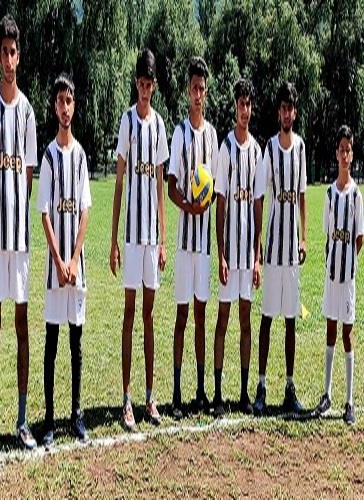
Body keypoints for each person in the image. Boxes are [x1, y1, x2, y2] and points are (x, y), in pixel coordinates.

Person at [0, 14, 38, 454]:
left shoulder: (29, 112)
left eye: (13, 52)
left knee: (21, 324)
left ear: (20, 56)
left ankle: (20, 419)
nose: (8, 59)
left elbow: (28, 175)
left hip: (21, 242)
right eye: (3, 51)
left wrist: (15, 216)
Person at [110, 48, 169, 430]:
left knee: (149, 316)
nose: (145, 90)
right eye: (141, 84)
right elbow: (119, 183)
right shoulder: (128, 121)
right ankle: (127, 398)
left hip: (151, 240)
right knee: (130, 314)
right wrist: (114, 240)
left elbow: (161, 184)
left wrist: (163, 239)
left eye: (150, 85)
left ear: (154, 86)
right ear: (136, 84)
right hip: (131, 238)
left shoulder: (159, 125)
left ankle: (149, 397)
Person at [37, 73, 91, 449]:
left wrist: (73, 259)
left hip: (76, 267)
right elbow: (44, 213)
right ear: (54, 107)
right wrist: (59, 261)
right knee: (52, 341)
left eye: (69, 100)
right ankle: (50, 419)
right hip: (57, 270)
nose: (65, 107)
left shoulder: (81, 156)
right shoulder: (49, 157)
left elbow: (85, 211)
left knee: (76, 340)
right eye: (60, 101)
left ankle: (76, 414)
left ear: (75, 106)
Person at [167, 57, 218, 419]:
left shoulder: (212, 136)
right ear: (188, 91)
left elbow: (214, 187)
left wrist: (206, 202)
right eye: (194, 88)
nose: (198, 94)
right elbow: (171, 186)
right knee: (182, 314)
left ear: (206, 92)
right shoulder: (179, 133)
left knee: (201, 314)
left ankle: (201, 388)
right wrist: (189, 205)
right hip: (185, 243)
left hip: (204, 246)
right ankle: (176, 392)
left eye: (202, 89)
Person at [253, 82, 307, 416]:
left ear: (295, 113)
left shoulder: (300, 147)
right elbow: (260, 198)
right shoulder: (269, 149)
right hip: (273, 249)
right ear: (278, 113)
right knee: (267, 317)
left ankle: (289, 386)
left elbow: (301, 194)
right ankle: (261, 386)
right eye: (283, 108)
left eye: (291, 108)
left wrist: (304, 237)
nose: (287, 113)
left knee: (290, 320)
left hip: (291, 253)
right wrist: (259, 245)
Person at [213, 78, 264, 418]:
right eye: (241, 103)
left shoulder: (257, 151)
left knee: (246, 322)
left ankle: (244, 392)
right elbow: (220, 204)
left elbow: (258, 205)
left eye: (249, 104)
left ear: (252, 108)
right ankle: (218, 394)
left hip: (248, 256)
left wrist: (257, 257)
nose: (245, 110)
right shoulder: (225, 148)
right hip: (230, 255)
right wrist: (221, 254)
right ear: (235, 106)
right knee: (223, 320)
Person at [314, 125, 363, 425]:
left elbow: (359, 237)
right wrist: (333, 260)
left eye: (349, 150)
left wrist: (348, 262)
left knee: (347, 332)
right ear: (336, 153)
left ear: (352, 155)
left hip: (348, 279)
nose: (345, 155)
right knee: (330, 329)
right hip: (331, 275)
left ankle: (349, 401)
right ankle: (328, 394)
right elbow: (327, 234)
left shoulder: (356, 195)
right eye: (341, 149)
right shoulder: (330, 194)